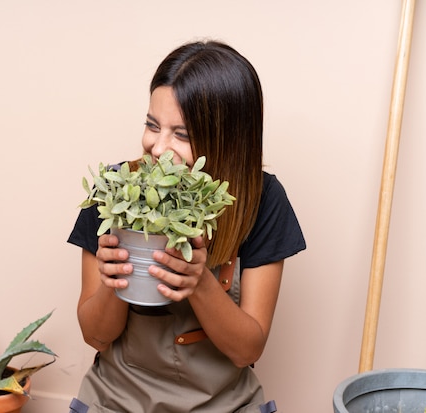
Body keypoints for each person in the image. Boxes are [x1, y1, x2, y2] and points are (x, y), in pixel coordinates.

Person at [67, 40, 306, 413]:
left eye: (183, 134)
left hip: (224, 405)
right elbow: (95, 337)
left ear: (227, 140)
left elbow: (247, 351)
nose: (159, 148)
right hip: (116, 401)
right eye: (152, 125)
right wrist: (115, 281)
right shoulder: (115, 190)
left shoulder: (263, 201)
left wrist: (199, 282)